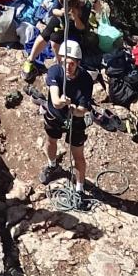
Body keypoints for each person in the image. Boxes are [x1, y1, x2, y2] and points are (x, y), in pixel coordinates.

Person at [38, 40, 95, 205]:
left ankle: (79, 189)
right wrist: (62, 102)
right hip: (55, 115)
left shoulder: (85, 80)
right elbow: (55, 100)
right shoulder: (55, 71)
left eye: (71, 64)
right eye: (65, 62)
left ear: (78, 63)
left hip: (75, 119)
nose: (67, 67)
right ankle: (52, 165)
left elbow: (83, 109)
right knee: (51, 141)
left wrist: (74, 109)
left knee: (78, 155)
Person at [21, 0, 92, 81]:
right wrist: (62, 13)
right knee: (47, 35)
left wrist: (75, 17)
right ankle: (30, 59)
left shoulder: (86, 5)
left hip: (75, 27)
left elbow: (81, 28)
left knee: (60, 41)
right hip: (61, 19)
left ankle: (61, 63)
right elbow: (53, 11)